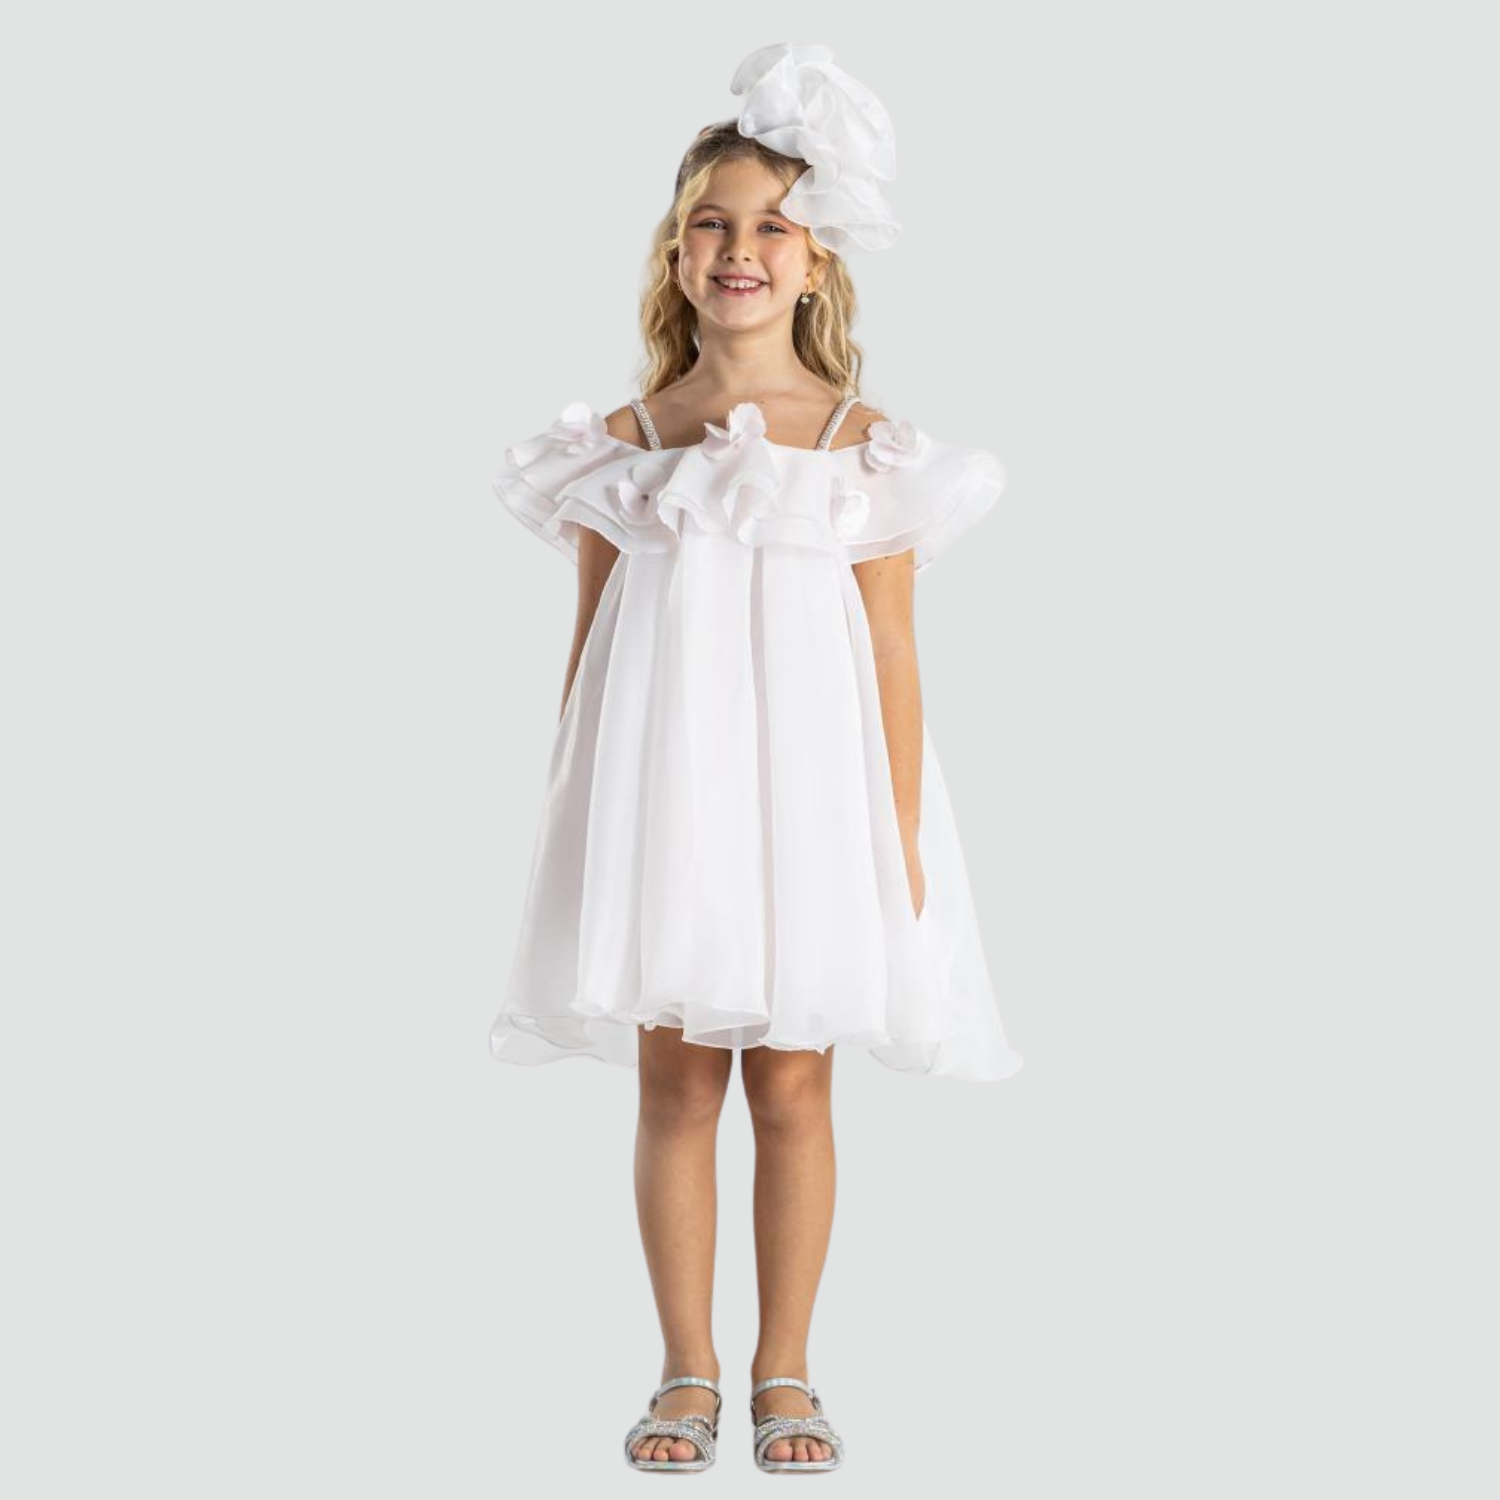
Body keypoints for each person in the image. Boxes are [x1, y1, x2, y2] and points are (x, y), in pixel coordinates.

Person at [487, 43, 1023, 1473]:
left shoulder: (862, 447)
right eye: (711, 223)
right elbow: (593, 644)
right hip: (662, 796)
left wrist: (896, 834)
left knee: (792, 1087)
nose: (740, 249)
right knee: (673, 1084)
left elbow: (892, 651)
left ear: (817, 257)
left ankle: (788, 1368)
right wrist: (577, 821)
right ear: (675, 253)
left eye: (773, 224)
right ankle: (687, 1370)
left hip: (810, 805)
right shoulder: (617, 446)